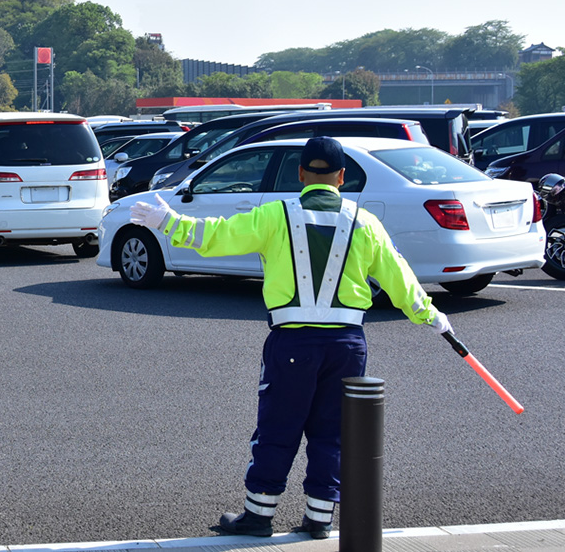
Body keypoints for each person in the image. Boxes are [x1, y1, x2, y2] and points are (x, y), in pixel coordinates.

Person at [129, 136, 452, 540]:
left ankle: (259, 516)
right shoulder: (364, 222)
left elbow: (216, 237)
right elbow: (399, 279)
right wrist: (431, 315)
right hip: (347, 345)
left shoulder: (275, 215)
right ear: (343, 177)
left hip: (293, 342)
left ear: (300, 175)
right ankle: (320, 518)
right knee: (333, 432)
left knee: (278, 427)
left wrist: (167, 222)